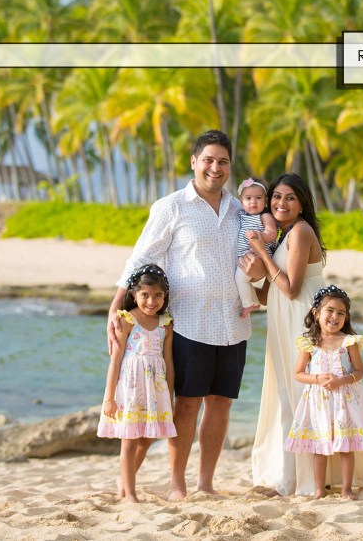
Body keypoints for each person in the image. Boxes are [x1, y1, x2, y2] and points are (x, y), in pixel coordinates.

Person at [107, 130, 253, 501]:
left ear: (229, 166)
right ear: (194, 161)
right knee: (186, 405)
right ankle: (177, 482)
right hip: (189, 322)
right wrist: (116, 305)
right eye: (208, 159)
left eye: (222, 161)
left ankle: (206, 482)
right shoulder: (171, 206)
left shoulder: (240, 209)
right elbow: (141, 258)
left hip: (233, 323)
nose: (215, 168)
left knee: (220, 405)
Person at [246, 172, 363, 496]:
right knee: (289, 398)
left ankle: (299, 481)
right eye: (276, 196)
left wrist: (262, 252)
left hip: (301, 317)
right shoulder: (285, 235)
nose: (281, 203)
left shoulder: (300, 232)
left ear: (302, 203)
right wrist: (252, 274)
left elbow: (290, 289)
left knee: (300, 397)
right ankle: (292, 477)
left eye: (290, 197)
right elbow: (269, 295)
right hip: (284, 317)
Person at [285, 285, 363, 500]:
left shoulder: (349, 342)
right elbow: (298, 373)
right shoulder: (308, 343)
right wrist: (317, 379)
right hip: (318, 401)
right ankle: (319, 490)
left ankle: (346, 489)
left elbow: (360, 371)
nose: (335, 316)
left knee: (346, 446)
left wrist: (342, 380)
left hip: (344, 400)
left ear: (346, 317)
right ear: (316, 313)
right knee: (319, 446)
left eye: (341, 313)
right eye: (330, 311)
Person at [98, 264, 176, 503]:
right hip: (131, 390)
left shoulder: (166, 323)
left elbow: (168, 363)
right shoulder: (126, 320)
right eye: (145, 295)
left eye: (157, 295)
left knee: (146, 439)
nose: (151, 301)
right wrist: (109, 399)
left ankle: (124, 482)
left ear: (165, 296)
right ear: (133, 295)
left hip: (156, 390)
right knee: (129, 441)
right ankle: (130, 494)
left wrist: (170, 399)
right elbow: (115, 362)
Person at [235, 178, 277, 319]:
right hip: (246, 257)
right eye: (248, 198)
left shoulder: (264, 216)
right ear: (241, 202)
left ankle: (248, 304)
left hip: (258, 255)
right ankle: (253, 302)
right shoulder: (242, 215)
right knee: (241, 280)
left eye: (258, 198)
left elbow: (272, 233)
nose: (253, 202)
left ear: (265, 201)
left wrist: (259, 236)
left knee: (240, 279)